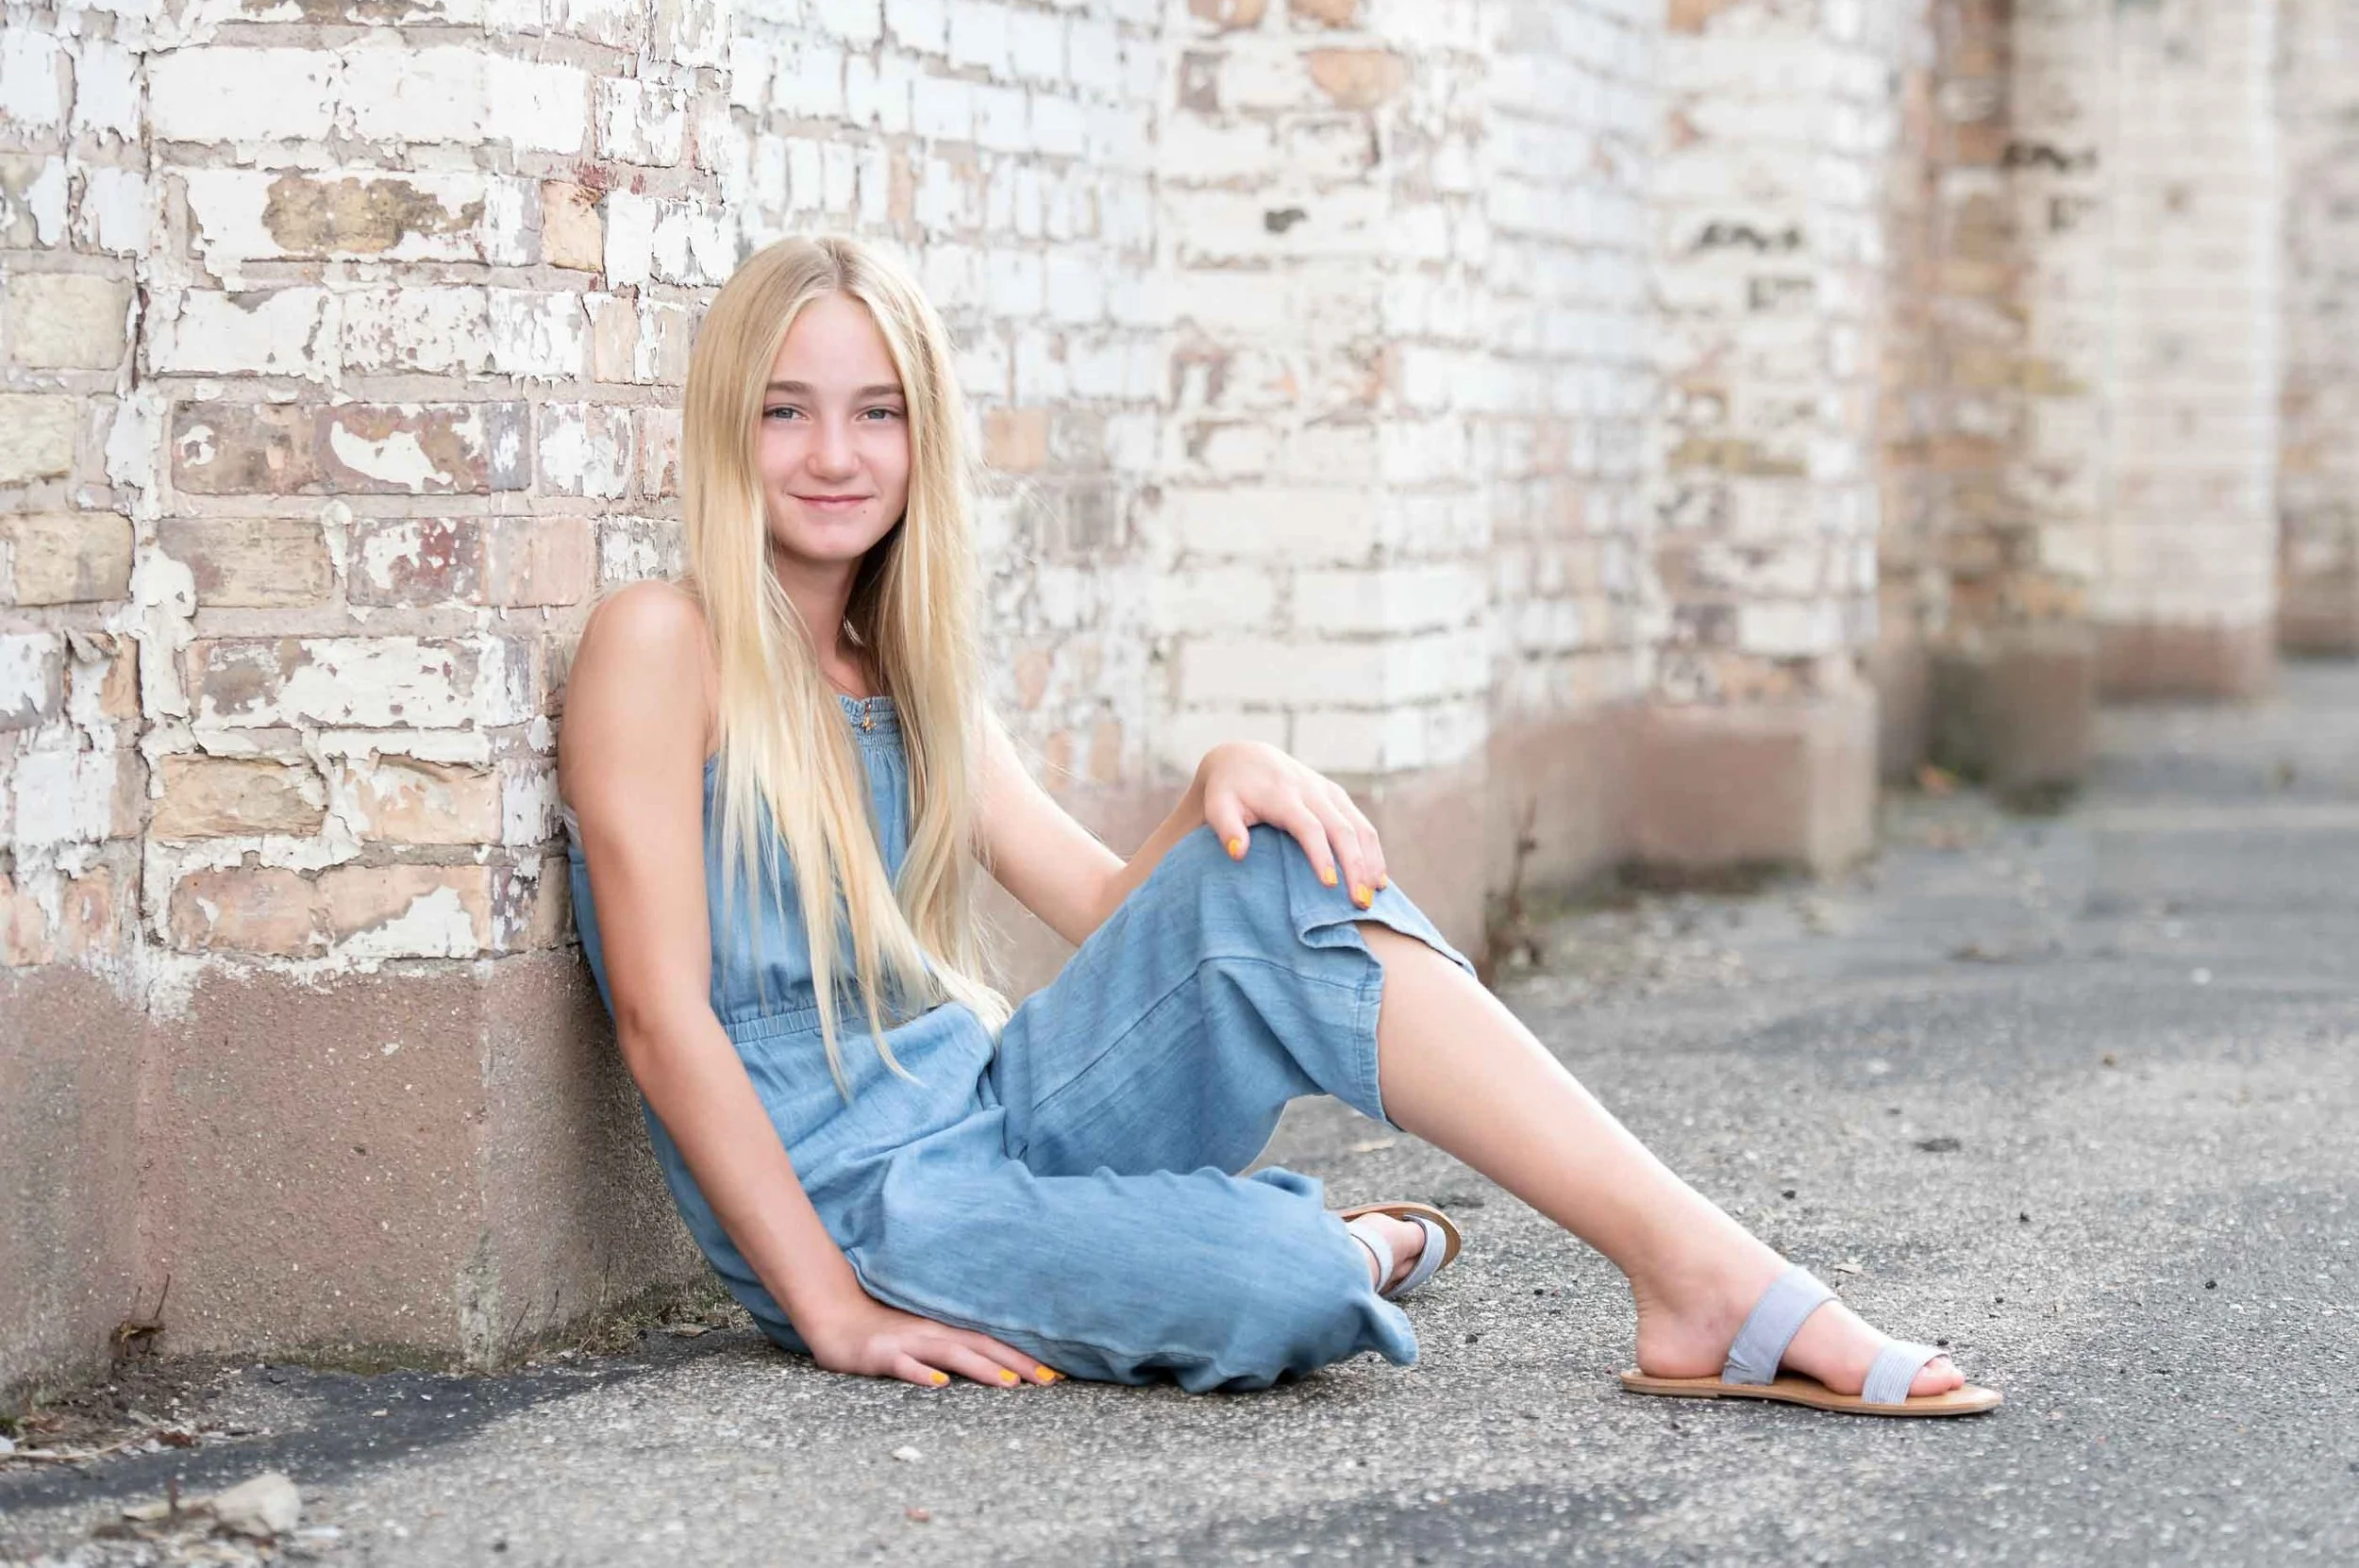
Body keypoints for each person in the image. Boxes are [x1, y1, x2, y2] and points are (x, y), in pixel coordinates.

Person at [556, 234, 1999, 1415]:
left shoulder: (908, 668)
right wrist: (827, 1306)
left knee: (1273, 867)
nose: (834, 452)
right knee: (1290, 1291)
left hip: (1002, 1108)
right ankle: (1330, 1239)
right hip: (873, 1210)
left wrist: (1215, 781)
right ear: (728, 423)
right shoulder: (661, 643)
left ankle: (1705, 1273)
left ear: (924, 436)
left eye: (878, 411)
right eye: (786, 409)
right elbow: (662, 1022)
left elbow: (1124, 922)